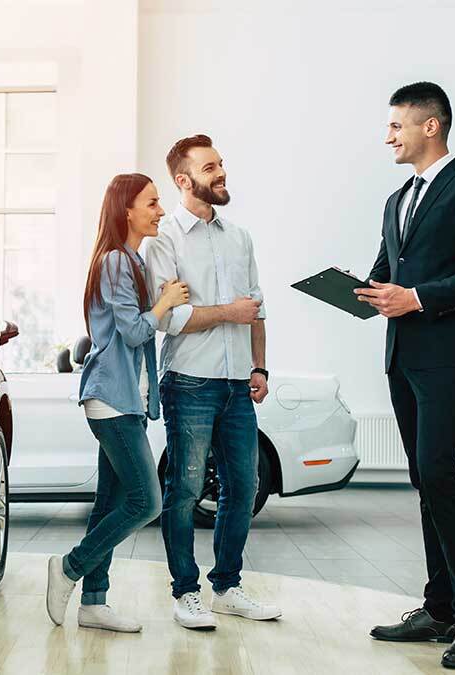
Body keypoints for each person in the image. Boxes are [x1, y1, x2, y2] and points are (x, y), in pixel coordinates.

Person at [356, 82, 455, 669]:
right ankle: (440, 607)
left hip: (447, 352)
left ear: (431, 126)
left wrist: (417, 297)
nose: (388, 136)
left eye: (396, 125)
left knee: (440, 476)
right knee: (425, 480)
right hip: (402, 356)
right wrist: (359, 291)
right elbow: (384, 271)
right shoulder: (396, 199)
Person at [145, 134, 281, 631]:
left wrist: (259, 368)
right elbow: (168, 319)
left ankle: (226, 586)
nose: (221, 173)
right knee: (182, 490)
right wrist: (227, 312)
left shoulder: (239, 237)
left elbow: (257, 309)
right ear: (183, 180)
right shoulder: (164, 240)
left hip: (236, 384)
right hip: (189, 382)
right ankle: (186, 592)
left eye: (221, 163)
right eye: (210, 167)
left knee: (242, 488)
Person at [45, 173, 190, 632]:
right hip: (110, 399)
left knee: (110, 501)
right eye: (151, 202)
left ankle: (93, 601)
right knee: (147, 501)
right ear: (126, 209)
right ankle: (69, 567)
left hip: (125, 399)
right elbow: (132, 332)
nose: (160, 210)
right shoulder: (114, 262)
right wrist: (165, 302)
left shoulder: (129, 260)